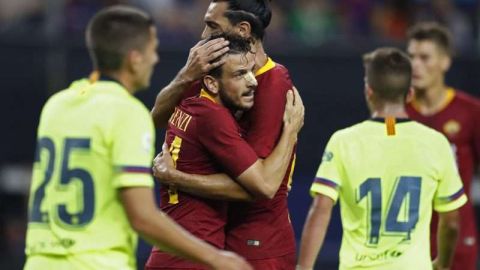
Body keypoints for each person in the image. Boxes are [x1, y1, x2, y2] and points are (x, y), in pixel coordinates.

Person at [23, 5, 252, 270]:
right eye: (151, 50)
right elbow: (142, 217)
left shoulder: (57, 105)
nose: (155, 59)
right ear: (135, 58)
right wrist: (215, 258)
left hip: (39, 261)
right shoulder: (127, 112)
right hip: (96, 262)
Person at [151, 1, 299, 268]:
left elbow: (262, 186)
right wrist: (186, 74)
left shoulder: (272, 82)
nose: (203, 36)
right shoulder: (211, 71)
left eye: (212, 26)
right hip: (215, 239)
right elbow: (157, 118)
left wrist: (176, 177)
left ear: (242, 29)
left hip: (258, 241)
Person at [296, 48, 467, 270]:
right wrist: (442, 264)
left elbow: (321, 208)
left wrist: (303, 267)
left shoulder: (344, 141)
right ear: (410, 94)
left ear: (369, 91)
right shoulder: (436, 143)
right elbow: (451, 222)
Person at [406, 22, 480, 270]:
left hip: (457, 235)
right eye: (412, 56)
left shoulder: (470, 111)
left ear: (445, 62)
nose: (416, 64)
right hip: (407, 237)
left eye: (425, 57)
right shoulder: (398, 112)